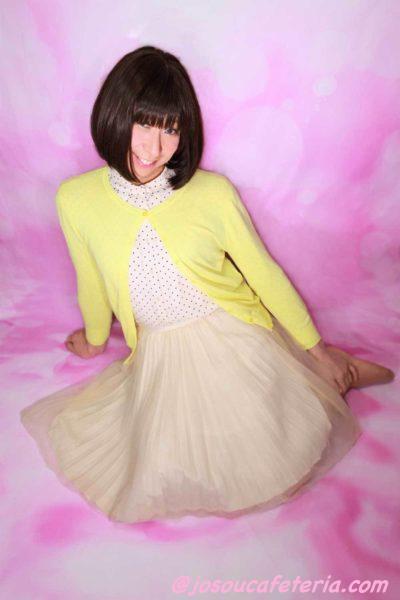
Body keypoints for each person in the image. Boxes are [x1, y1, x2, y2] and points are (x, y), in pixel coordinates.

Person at [20, 46, 395, 523]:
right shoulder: (76, 199)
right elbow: (90, 279)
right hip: (160, 348)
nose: (154, 148)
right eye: (143, 124)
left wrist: (317, 349)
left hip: (231, 332)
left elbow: (263, 273)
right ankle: (331, 372)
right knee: (167, 459)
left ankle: (336, 370)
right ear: (113, 115)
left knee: (283, 448)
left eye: (170, 129)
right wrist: (96, 339)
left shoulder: (213, 193)